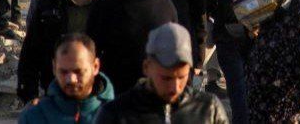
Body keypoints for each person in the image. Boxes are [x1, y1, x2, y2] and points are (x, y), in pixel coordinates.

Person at [18, 0, 106, 102]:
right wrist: (29, 94)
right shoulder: (49, 8)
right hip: (56, 92)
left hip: (95, 96)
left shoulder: (106, 9)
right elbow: (31, 53)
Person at [94, 23, 229, 123]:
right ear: (147, 67)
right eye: (166, 78)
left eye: (182, 77)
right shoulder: (116, 115)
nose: (175, 87)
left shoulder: (209, 110)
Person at [19, 34, 115, 124]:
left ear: (95, 66)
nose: (71, 79)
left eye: (78, 71)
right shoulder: (34, 117)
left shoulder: (119, 115)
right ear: (54, 68)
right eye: (63, 72)